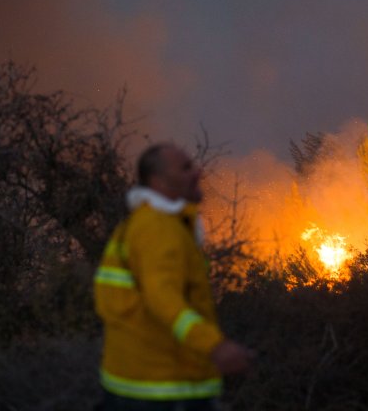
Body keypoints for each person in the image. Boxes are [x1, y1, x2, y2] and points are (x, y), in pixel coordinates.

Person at [94, 143, 253, 410]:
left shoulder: (157, 224)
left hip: (147, 382)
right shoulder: (157, 229)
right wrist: (215, 346)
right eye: (185, 168)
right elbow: (162, 298)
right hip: (161, 390)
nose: (197, 172)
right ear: (158, 182)